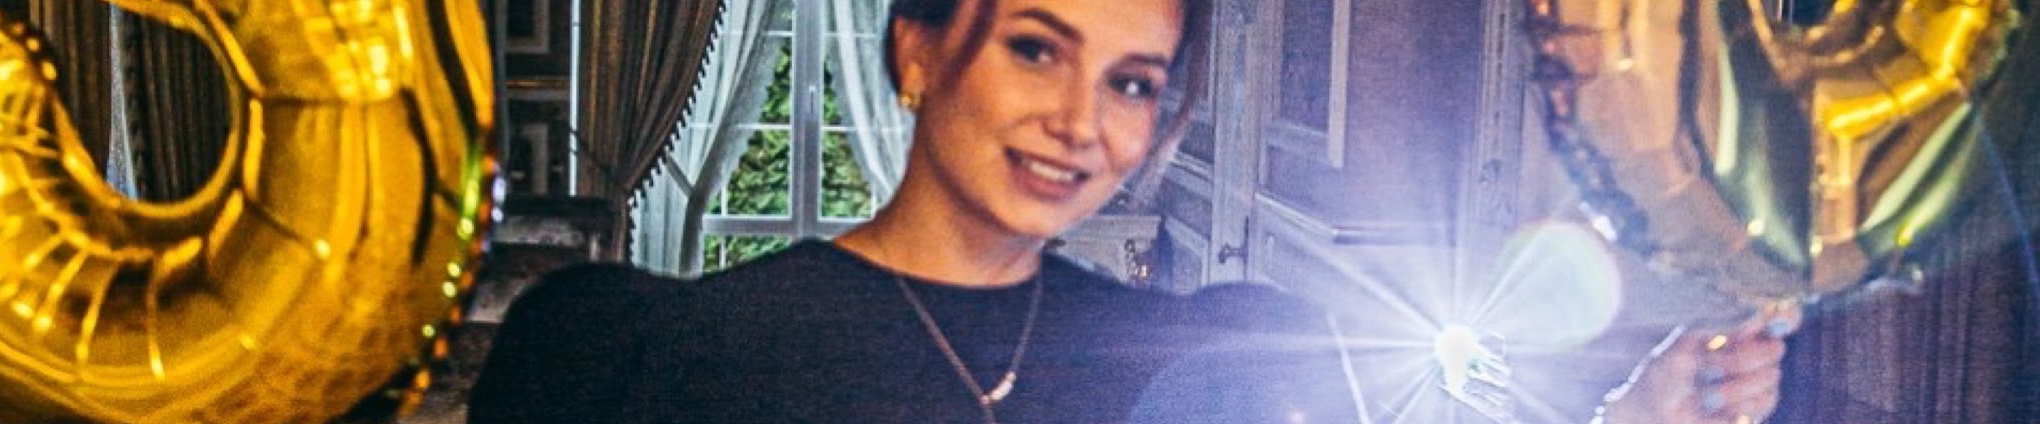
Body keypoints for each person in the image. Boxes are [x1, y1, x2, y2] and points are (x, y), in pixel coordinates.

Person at [468, 0, 1794, 422]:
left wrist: (1641, 415)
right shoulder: (667, 357)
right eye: (1034, 49)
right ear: (917, 49)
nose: (1079, 120)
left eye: (1133, 82)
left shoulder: (1198, 353)